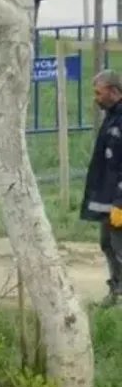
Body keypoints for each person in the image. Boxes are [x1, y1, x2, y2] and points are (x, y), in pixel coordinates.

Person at [81, 70, 122, 306]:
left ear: (113, 91)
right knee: (108, 244)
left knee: (119, 247)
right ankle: (116, 291)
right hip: (109, 198)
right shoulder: (112, 116)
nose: (95, 98)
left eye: (99, 93)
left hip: (118, 200)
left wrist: (120, 203)